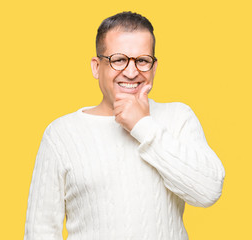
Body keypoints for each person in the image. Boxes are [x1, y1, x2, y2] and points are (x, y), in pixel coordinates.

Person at [23, 11, 225, 240]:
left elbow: (208, 191)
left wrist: (142, 125)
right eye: (118, 59)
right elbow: (40, 231)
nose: (131, 72)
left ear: (154, 67)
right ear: (96, 67)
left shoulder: (178, 117)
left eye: (142, 61)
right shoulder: (61, 134)